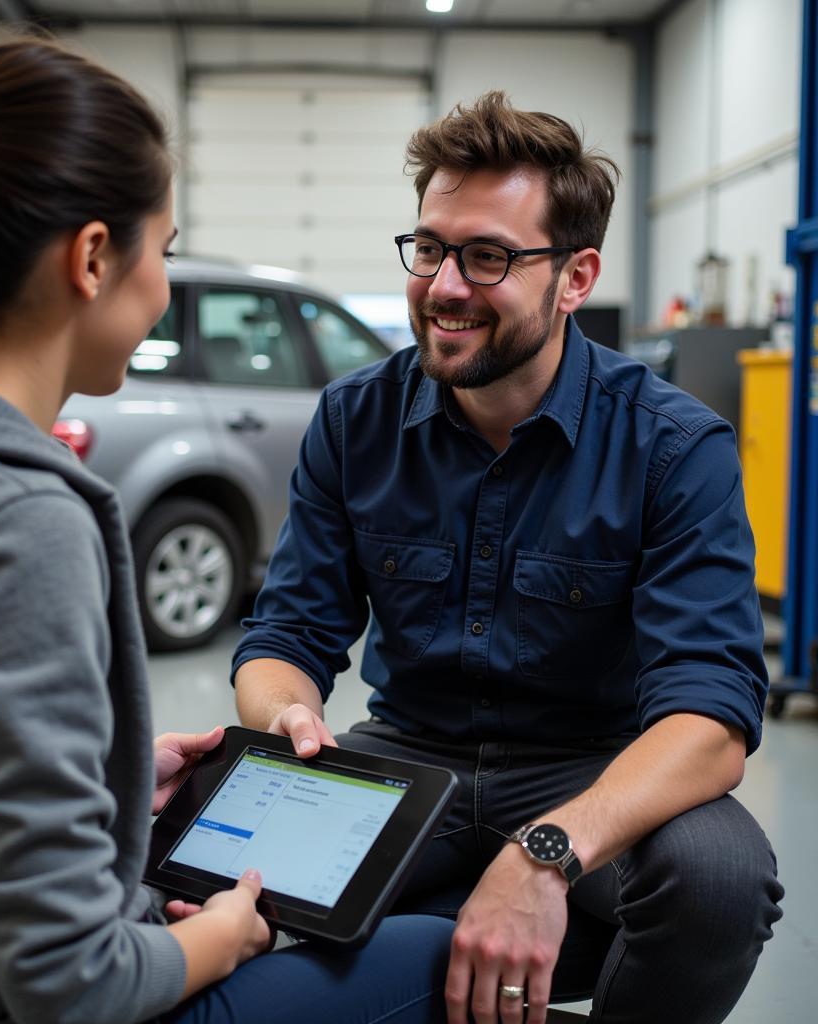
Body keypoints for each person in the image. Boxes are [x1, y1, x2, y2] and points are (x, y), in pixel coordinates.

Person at [0, 36, 456, 1024]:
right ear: (94, 257)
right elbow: (65, 983)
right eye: (168, 249)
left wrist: (104, 774)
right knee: (437, 952)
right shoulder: (16, 523)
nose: (163, 285)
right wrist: (231, 931)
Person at [232, 91, 784, 1024]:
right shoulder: (354, 420)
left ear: (575, 278)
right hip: (409, 759)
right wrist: (288, 720)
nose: (444, 285)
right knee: (212, 864)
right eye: (430, 248)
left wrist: (546, 852)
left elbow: (710, 715)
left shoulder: (673, 446)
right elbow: (287, 631)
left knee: (719, 878)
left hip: (591, 767)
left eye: (488, 256)